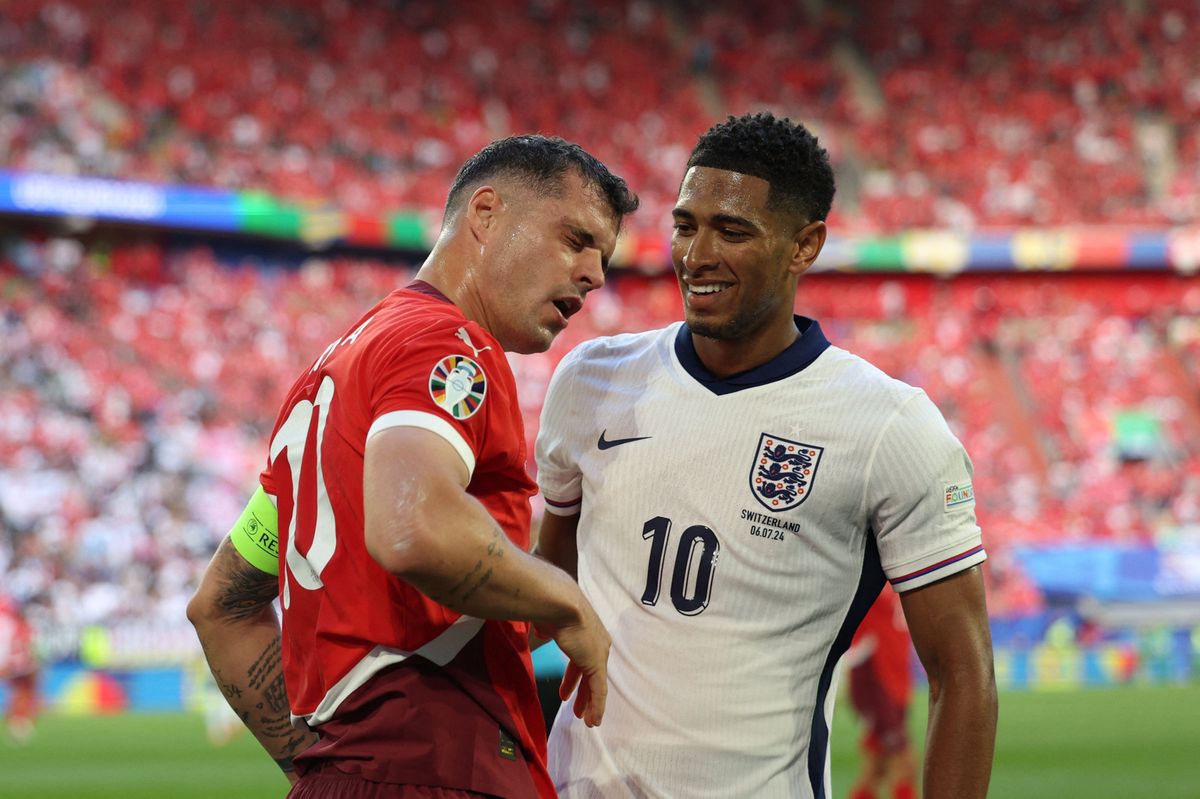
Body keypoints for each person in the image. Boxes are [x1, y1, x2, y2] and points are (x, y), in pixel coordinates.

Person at [534, 112, 997, 798]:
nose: (696, 254)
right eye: (686, 225)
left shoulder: (889, 428)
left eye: (733, 231)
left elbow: (964, 675)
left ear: (804, 245)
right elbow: (543, 586)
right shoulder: (591, 379)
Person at [187, 134, 638, 798]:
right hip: (444, 769)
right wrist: (567, 603)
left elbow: (221, 606)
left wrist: (318, 764)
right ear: (484, 216)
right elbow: (412, 526)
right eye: (576, 239)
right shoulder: (445, 344)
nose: (595, 274)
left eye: (603, 256)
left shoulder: (333, 373)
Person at [845, 586, 917, 799]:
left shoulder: (901, 581)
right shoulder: (871, 583)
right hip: (877, 682)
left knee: (877, 767)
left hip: (897, 685)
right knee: (904, 762)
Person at [0, 593, 38, 743]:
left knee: (21, 690)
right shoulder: (17, 624)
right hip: (14, 662)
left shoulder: (10, 622)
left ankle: (18, 721)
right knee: (23, 690)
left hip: (11, 661)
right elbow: (22, 644)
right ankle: (19, 721)